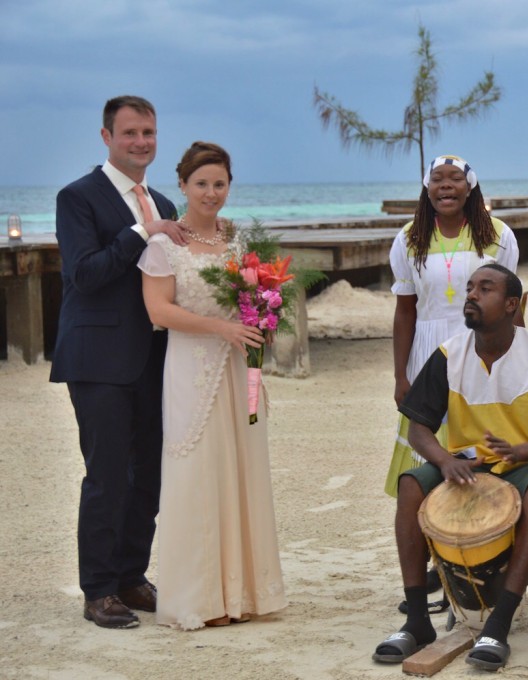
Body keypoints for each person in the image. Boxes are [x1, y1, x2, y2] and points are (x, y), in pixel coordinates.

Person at [372, 263, 528, 671]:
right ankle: (417, 620)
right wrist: (444, 460)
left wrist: (521, 451)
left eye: (484, 289)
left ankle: (499, 623)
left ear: (510, 305)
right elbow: (419, 429)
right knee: (411, 484)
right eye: (469, 288)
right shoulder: (449, 354)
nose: (471, 295)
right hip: (468, 466)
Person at [50, 95, 188, 629]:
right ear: (106, 137)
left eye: (149, 132)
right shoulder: (77, 198)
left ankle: (133, 576)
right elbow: (84, 274)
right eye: (130, 133)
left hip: (157, 358)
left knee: (150, 475)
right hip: (98, 358)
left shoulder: (164, 203)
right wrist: (140, 233)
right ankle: (100, 590)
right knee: (107, 475)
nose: (141, 142)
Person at [138, 142, 287, 629]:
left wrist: (262, 317)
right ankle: (201, 599)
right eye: (201, 183)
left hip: (240, 365)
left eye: (219, 183)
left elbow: (258, 296)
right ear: (181, 186)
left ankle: (242, 594)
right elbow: (159, 312)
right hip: (191, 365)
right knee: (196, 473)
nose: (210, 192)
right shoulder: (163, 247)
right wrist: (223, 328)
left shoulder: (238, 241)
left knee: (242, 468)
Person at [384, 155, 520, 497]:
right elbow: (405, 311)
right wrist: (401, 375)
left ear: (470, 186)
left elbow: (513, 308)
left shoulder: (499, 235)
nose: (446, 185)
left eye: (455, 178)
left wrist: (519, 361)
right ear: (426, 188)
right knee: (427, 457)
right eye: (437, 179)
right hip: (427, 352)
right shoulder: (408, 239)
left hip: (483, 348)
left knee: (481, 451)